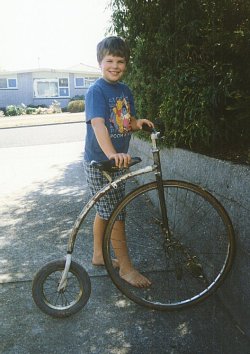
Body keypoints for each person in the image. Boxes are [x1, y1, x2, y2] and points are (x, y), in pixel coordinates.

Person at [84, 36, 154, 288]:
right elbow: (98, 124)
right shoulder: (96, 91)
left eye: (120, 61)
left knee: (107, 210)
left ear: (126, 64)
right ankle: (125, 268)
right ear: (100, 63)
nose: (115, 65)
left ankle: (99, 255)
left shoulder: (125, 91)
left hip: (117, 163)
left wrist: (138, 123)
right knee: (116, 212)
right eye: (109, 60)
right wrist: (112, 153)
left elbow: (125, 120)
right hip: (100, 163)